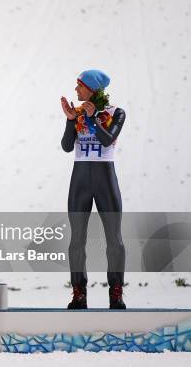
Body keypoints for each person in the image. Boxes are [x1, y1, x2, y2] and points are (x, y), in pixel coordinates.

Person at [60, 69, 126, 310]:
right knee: (76, 240)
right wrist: (70, 120)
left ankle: (116, 292)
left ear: (92, 89)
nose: (76, 90)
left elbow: (108, 139)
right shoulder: (77, 113)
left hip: (105, 178)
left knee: (114, 240)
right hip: (80, 179)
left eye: (80, 86)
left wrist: (92, 118)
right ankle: (79, 293)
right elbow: (67, 146)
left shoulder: (115, 112)